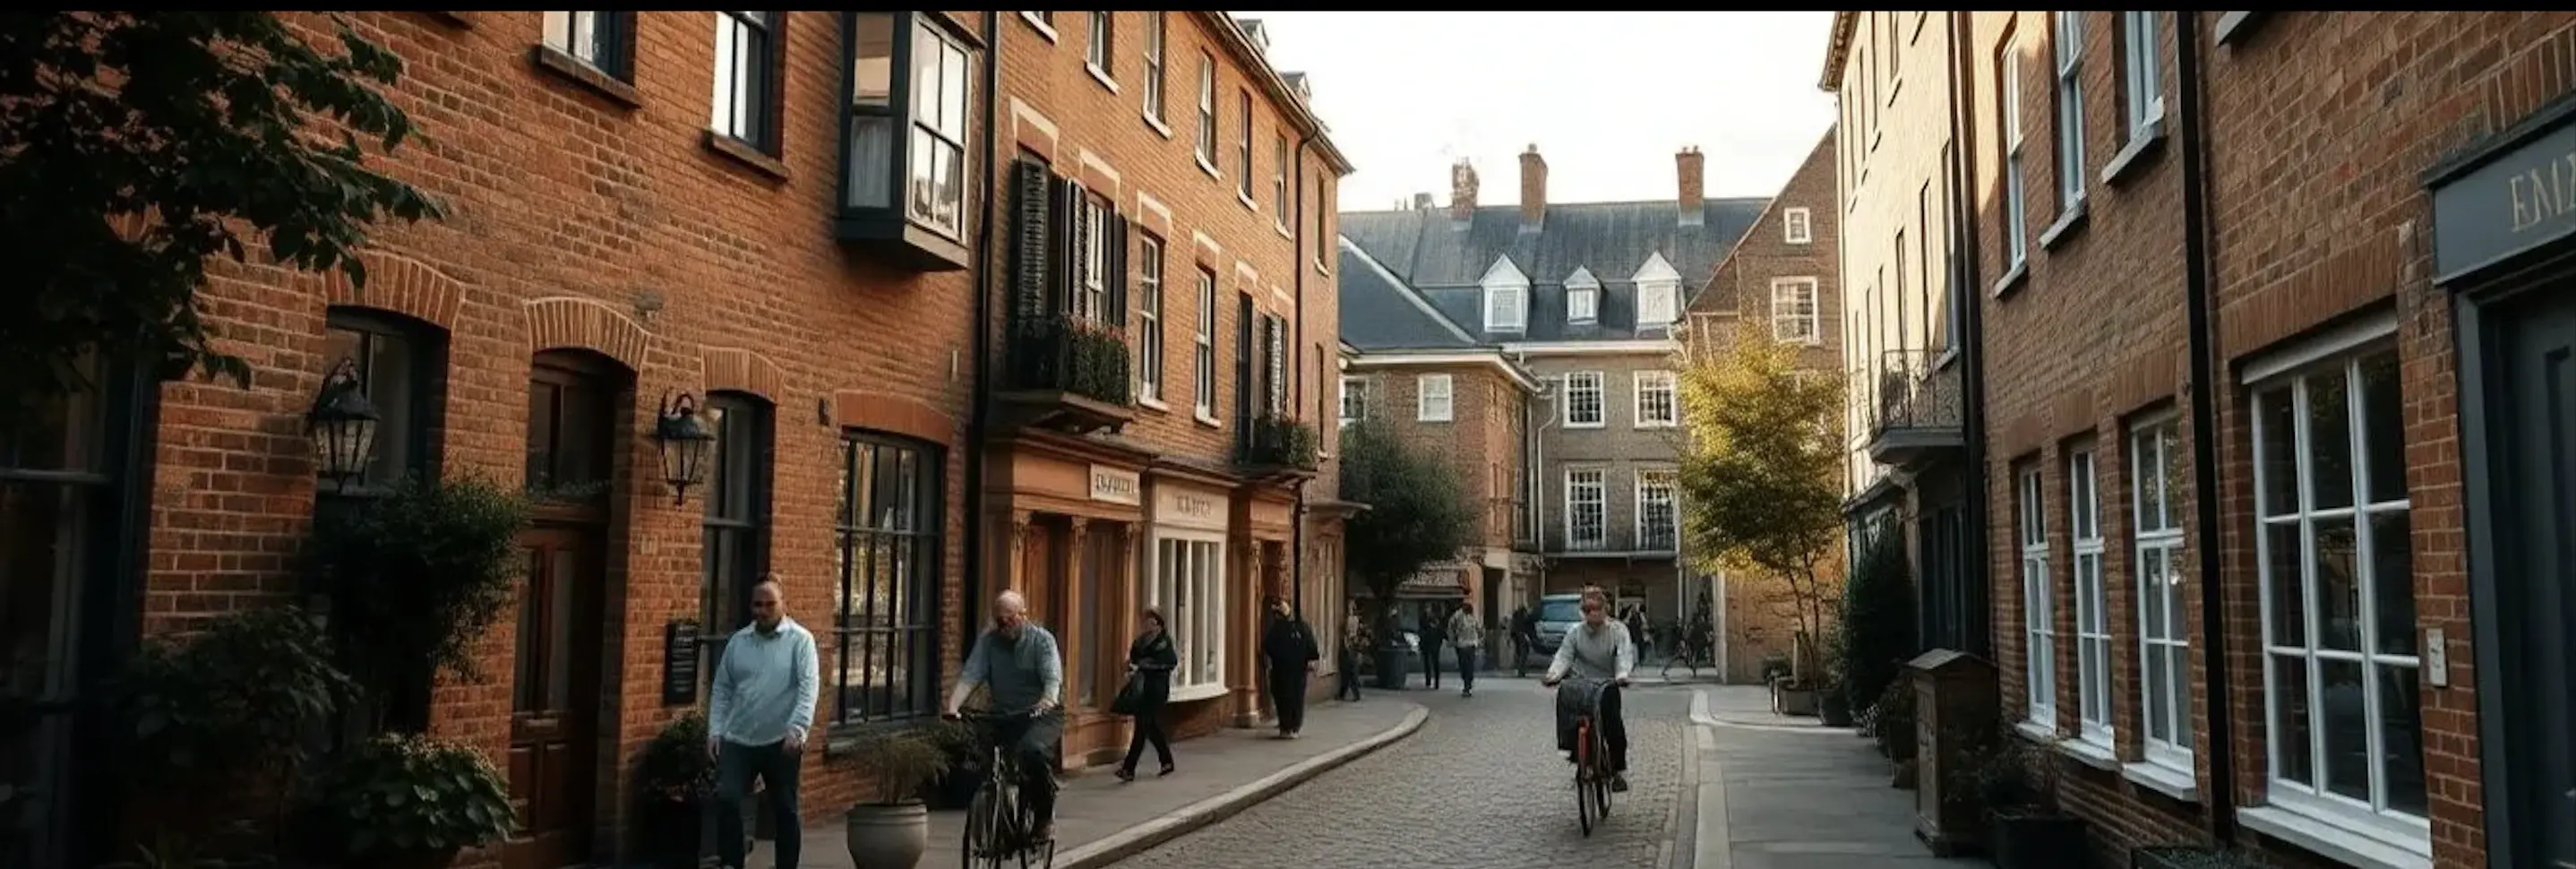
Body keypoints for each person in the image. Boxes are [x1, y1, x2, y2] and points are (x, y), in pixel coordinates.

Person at [708, 578, 820, 869]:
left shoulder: (800, 641)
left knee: (784, 809)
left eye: (770, 604)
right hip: (738, 738)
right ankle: (732, 862)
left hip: (781, 741)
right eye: (758, 604)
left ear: (783, 604)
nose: (763, 610)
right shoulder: (738, 642)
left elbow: (808, 689)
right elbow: (722, 689)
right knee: (727, 798)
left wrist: (798, 729)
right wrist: (715, 731)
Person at [942, 590, 1064, 842]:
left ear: (1023, 616)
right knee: (983, 753)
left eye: (1008, 619)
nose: (1003, 626)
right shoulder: (989, 642)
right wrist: (952, 706)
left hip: (1041, 713)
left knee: (1032, 752)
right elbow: (971, 675)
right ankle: (998, 807)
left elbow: (1052, 677)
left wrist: (1048, 698)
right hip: (1004, 712)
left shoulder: (1042, 641)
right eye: (998, 620)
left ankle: (1043, 816)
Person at [1541, 590, 1636, 792]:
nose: (1592, 614)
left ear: (1605, 609)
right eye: (1587, 609)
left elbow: (1623, 654)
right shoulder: (1575, 632)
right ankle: (1577, 753)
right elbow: (1564, 656)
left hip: (1607, 683)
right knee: (1568, 710)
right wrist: (1554, 675)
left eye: (1596, 609)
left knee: (1613, 726)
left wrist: (1622, 675)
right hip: (1581, 683)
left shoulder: (1617, 631)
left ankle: (1617, 771)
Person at [1115, 607, 1178, 781]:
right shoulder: (1140, 641)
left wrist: (1146, 666)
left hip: (1156, 690)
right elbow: (1133, 659)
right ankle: (1167, 761)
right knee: (1151, 727)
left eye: (1152, 622)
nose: (1148, 625)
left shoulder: (1164, 643)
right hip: (1141, 689)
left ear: (1159, 625)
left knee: (1142, 727)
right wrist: (1130, 667)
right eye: (1146, 622)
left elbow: (1170, 662)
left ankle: (1128, 768)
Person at [1260, 596, 1320, 737]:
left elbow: (1268, 646)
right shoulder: (1302, 627)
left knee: (1283, 698)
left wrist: (1274, 659)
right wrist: (1308, 661)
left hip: (1281, 670)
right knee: (1297, 698)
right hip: (1299, 670)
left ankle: (1286, 727)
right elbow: (1312, 648)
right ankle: (1294, 727)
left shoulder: (1278, 629)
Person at [1445, 599, 1483, 698]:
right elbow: (1451, 626)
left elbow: (1479, 628)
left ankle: (1468, 685)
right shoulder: (1457, 616)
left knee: (1469, 665)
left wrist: (1480, 638)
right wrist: (1452, 639)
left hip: (1471, 643)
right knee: (1463, 665)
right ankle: (1466, 681)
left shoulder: (1473, 617)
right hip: (1461, 644)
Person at [1336, 603, 1366, 701]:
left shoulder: (1353, 621)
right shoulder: (1353, 621)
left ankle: (1352, 694)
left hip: (1351, 649)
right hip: (1350, 649)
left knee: (1349, 673)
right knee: (1348, 673)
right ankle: (1349, 694)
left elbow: (1352, 634)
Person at [1416, 605, 1447, 690]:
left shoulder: (1437, 619)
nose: (1428, 611)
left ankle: (1436, 682)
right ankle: (1428, 680)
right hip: (1427, 643)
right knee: (1428, 662)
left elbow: (1441, 631)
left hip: (1435, 643)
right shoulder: (1424, 619)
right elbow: (1421, 630)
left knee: (1435, 662)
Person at [1510, 605, 1538, 677]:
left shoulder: (1516, 617)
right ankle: (1521, 670)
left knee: (1519, 652)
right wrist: (1530, 637)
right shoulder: (1524, 618)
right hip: (1522, 636)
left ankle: (1519, 669)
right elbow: (1527, 629)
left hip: (1516, 636)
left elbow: (1513, 628)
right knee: (1524, 653)